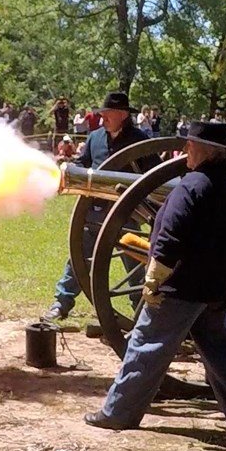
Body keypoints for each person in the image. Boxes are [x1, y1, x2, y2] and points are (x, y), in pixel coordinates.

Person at [84, 122, 226, 431]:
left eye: (190, 145)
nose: (185, 150)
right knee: (222, 352)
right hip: (220, 287)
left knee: (146, 346)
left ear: (205, 151)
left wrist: (153, 279)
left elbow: (169, 238)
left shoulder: (191, 186)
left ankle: (118, 413)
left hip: (182, 286)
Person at [43, 92, 155, 322]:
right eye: (102, 113)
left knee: (135, 266)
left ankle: (141, 312)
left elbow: (155, 175)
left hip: (127, 213)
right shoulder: (95, 138)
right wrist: (68, 168)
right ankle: (61, 303)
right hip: (95, 210)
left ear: (123, 114)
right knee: (79, 257)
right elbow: (83, 164)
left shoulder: (140, 141)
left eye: (107, 113)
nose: (102, 117)